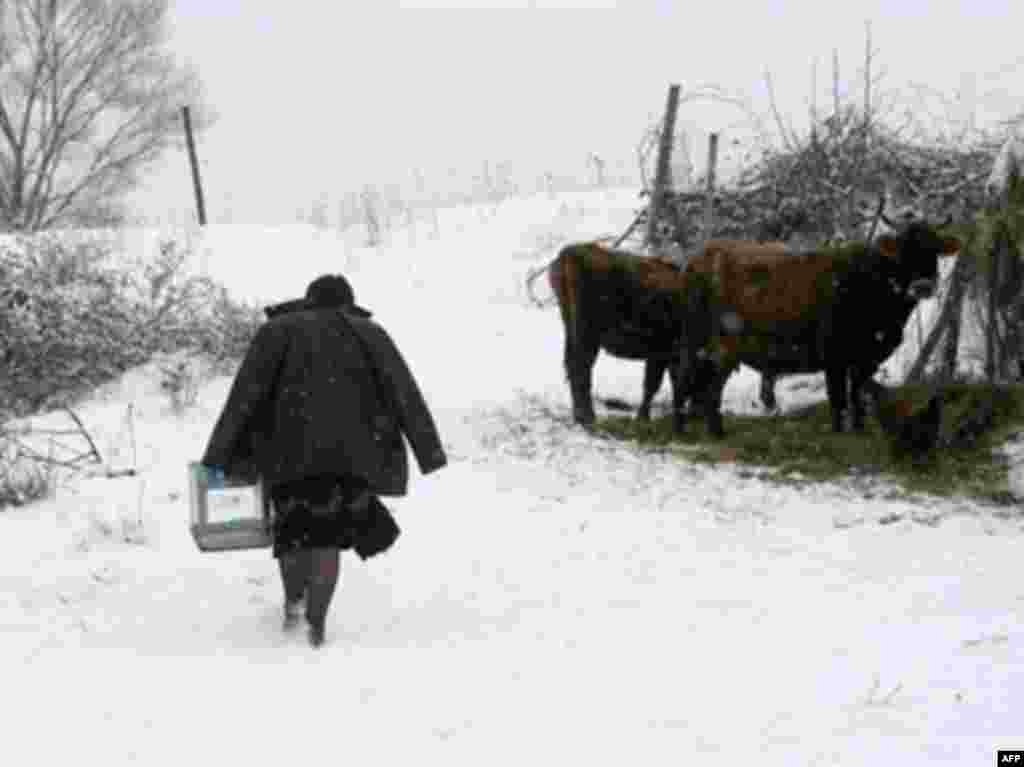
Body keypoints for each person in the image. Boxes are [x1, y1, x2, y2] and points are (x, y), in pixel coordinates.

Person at [202, 274, 447, 647]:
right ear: (348, 302)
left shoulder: (278, 331)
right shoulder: (370, 333)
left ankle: (294, 604)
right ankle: (316, 623)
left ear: (308, 299)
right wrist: (429, 452)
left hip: (287, 452)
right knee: (328, 537)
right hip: (351, 457)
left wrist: (220, 453)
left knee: (293, 531)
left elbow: (246, 393)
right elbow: (404, 392)